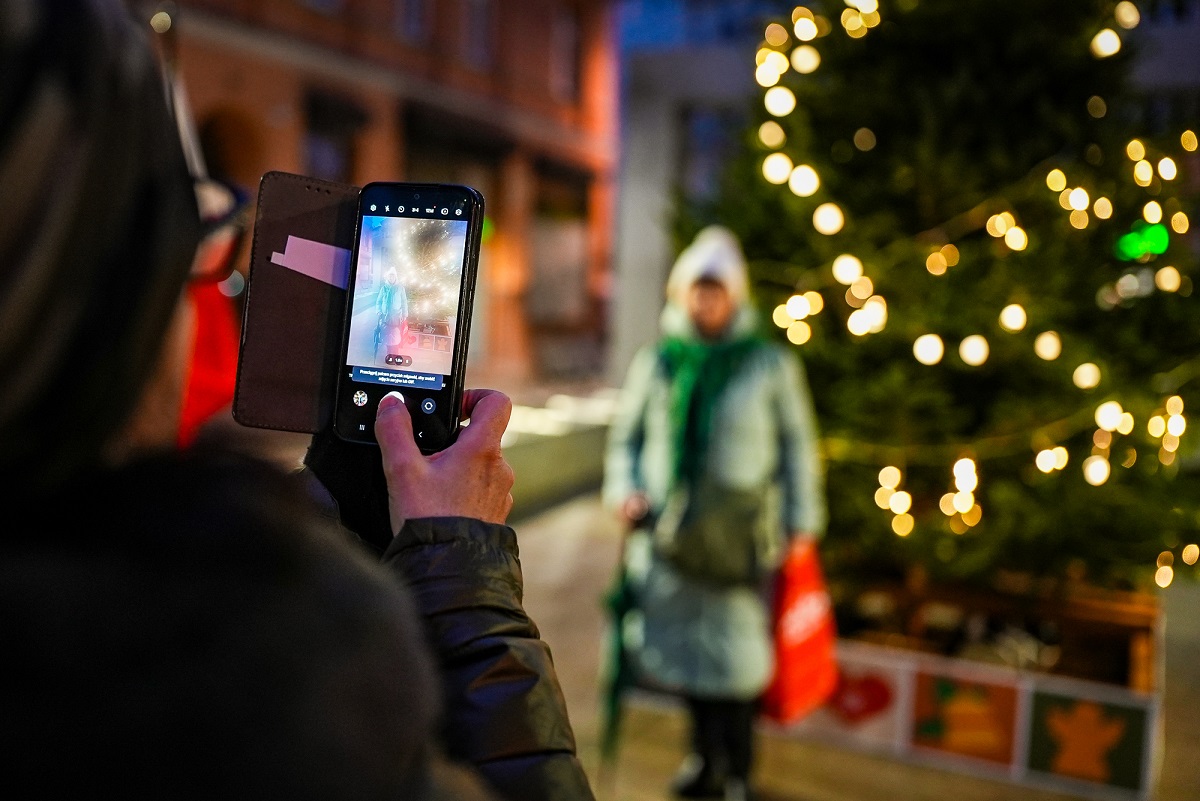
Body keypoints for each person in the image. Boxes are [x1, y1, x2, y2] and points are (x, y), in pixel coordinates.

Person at [0, 2, 594, 799]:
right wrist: (465, 574)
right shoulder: (246, 664)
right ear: (100, 294)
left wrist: (337, 505)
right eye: (201, 235)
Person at [602, 226, 827, 801]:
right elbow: (626, 439)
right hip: (669, 537)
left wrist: (802, 523)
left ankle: (740, 770)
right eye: (696, 289)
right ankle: (702, 757)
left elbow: (797, 447)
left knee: (738, 662)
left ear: (734, 294)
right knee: (685, 661)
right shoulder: (659, 364)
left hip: (738, 540)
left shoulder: (768, 366)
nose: (705, 301)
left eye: (716, 289)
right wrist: (624, 491)